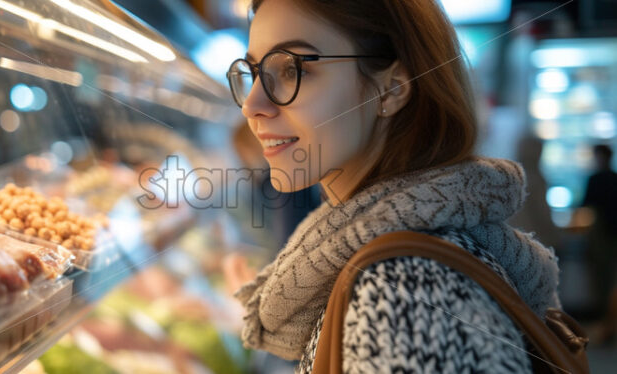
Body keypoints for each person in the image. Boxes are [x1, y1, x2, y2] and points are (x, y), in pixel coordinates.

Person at [222, 0, 561, 372]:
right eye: (253, 72)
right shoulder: (376, 257)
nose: (252, 104)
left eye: (291, 68)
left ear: (392, 90)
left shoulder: (405, 291)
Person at [582, 144, 617, 344]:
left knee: (603, 279)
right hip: (612, 233)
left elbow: (585, 204)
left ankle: (606, 322)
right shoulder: (614, 178)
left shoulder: (595, 179)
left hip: (602, 234)